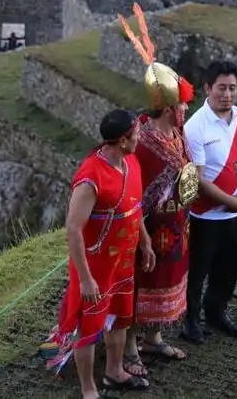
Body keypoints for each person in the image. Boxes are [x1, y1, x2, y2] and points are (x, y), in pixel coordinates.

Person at [41, 109, 155, 398]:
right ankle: (88, 388)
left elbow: (135, 207)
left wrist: (145, 242)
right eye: (136, 134)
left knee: (120, 317)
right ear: (122, 140)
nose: (140, 138)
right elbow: (73, 229)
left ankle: (115, 372)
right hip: (96, 267)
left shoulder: (131, 162)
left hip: (122, 261)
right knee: (90, 328)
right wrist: (85, 279)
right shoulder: (91, 177)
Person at [116, 7, 199, 375]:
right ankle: (129, 347)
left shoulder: (177, 133)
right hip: (147, 229)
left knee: (167, 280)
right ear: (168, 108)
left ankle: (153, 338)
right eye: (182, 103)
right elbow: (135, 191)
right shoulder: (144, 142)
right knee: (141, 284)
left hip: (177, 225)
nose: (186, 107)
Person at [183, 60, 237, 341]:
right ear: (208, 88)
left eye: (232, 88)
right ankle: (190, 320)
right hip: (206, 216)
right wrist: (234, 202)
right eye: (221, 88)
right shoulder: (196, 127)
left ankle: (216, 313)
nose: (227, 94)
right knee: (198, 271)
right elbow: (200, 180)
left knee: (230, 266)